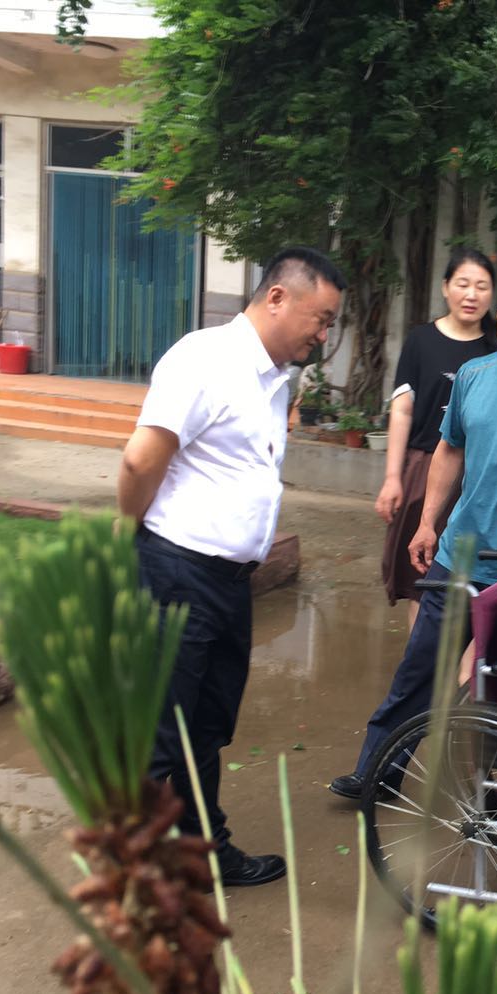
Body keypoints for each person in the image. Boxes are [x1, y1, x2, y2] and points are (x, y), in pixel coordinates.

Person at [328, 276, 497, 798]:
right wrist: (427, 521)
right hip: (460, 555)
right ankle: (379, 772)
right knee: (419, 672)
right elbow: (450, 449)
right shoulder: (474, 376)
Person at [119, 245, 345, 886]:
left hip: (226, 584)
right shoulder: (205, 359)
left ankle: (204, 853)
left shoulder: (272, 380)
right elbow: (140, 459)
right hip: (176, 573)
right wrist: (127, 534)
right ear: (277, 297)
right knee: (159, 738)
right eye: (321, 319)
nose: (323, 335)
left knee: (206, 728)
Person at [374, 248, 497, 628]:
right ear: (446, 287)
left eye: (482, 286)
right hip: (424, 467)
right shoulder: (421, 341)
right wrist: (393, 477)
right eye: (463, 284)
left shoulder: (496, 348)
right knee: (421, 576)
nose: (471, 294)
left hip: (477, 476)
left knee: (470, 579)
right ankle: (421, 659)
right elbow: (403, 410)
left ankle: (462, 663)